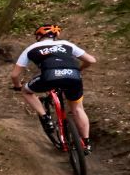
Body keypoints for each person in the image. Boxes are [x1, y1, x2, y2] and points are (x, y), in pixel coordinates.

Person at [10, 24, 97, 153]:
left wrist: (17, 86)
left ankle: (46, 118)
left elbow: (14, 75)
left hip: (50, 76)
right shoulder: (66, 44)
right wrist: (79, 69)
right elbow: (91, 60)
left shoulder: (31, 48)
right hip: (73, 76)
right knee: (78, 109)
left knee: (26, 91)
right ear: (56, 36)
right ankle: (86, 143)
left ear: (39, 36)